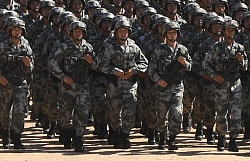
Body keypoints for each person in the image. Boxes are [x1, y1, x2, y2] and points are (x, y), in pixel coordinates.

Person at [98, 17, 148, 150]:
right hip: (114, 85)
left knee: (130, 112)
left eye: (125, 31)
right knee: (114, 112)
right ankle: (114, 131)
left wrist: (134, 70)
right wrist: (114, 71)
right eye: (120, 31)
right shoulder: (110, 46)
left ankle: (125, 135)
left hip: (130, 85)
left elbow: (144, 63)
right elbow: (101, 63)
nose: (123, 33)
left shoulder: (134, 47)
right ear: (116, 32)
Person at [201, 18, 247, 152]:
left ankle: (233, 139)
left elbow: (245, 67)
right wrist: (215, 76)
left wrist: (241, 61)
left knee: (236, 113)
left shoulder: (240, 48)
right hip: (221, 86)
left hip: (235, 84)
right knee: (221, 113)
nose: (230, 32)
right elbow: (205, 64)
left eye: (232, 30)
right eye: (228, 30)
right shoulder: (216, 47)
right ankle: (221, 137)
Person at [51, 19, 95, 152]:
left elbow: (96, 66)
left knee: (82, 113)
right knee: (65, 114)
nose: (77, 34)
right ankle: (66, 133)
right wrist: (64, 77)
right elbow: (52, 63)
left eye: (80, 32)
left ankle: (79, 139)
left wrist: (91, 61)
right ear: (71, 33)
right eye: (75, 31)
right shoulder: (64, 47)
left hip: (83, 86)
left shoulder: (88, 48)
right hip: (67, 86)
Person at [149, 20, 192, 152]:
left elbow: (191, 67)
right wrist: (158, 80)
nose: (172, 35)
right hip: (163, 86)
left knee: (177, 112)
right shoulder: (159, 50)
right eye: (169, 33)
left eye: (174, 33)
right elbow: (151, 69)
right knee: (162, 114)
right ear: (165, 34)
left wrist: (184, 63)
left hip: (177, 86)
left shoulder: (182, 50)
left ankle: (172, 138)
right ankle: (162, 136)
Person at [0, 17, 32, 150]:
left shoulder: (25, 45)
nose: (16, 32)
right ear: (10, 31)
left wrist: (28, 64)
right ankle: (5, 133)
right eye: (14, 29)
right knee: (3, 112)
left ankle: (17, 137)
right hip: (5, 83)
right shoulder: (1, 44)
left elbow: (31, 66)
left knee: (19, 112)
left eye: (19, 30)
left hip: (20, 83)